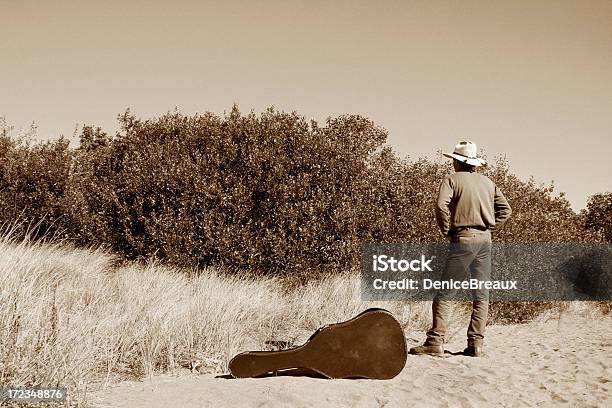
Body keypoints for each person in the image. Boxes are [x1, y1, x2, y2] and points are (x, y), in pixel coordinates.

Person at [410, 141, 512, 357]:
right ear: (473, 163)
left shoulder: (451, 179)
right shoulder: (488, 182)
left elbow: (440, 205)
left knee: (445, 292)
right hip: (485, 241)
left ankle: (435, 342)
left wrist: (447, 230)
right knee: (480, 294)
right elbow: (506, 210)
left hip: (463, 238)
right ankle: (476, 345)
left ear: (457, 161)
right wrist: (490, 227)